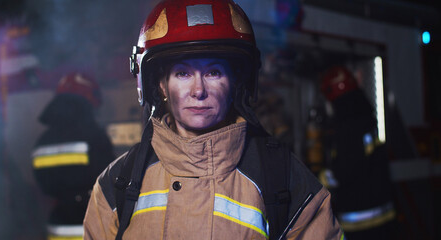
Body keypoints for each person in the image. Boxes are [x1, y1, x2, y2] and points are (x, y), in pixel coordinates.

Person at [84, 0, 343, 239]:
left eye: (214, 72)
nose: (198, 91)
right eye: (183, 73)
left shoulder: (284, 178)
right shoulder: (117, 183)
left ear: (235, 83)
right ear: (162, 86)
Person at [32, 72, 115, 240]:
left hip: (58, 220)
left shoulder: (43, 140)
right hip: (91, 218)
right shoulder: (93, 134)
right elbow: (110, 177)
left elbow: (42, 185)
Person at [320, 66, 396, 240]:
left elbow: (346, 170)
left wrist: (320, 178)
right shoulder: (365, 117)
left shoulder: (347, 125)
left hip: (359, 220)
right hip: (382, 215)